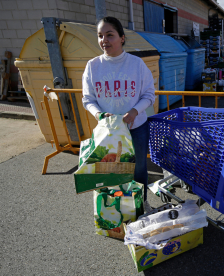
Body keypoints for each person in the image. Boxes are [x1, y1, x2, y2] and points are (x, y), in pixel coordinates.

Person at [82, 16, 155, 211]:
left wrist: (134, 111)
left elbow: (149, 95)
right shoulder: (92, 66)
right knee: (111, 171)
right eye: (100, 36)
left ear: (122, 38)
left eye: (109, 35)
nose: (104, 40)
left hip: (136, 127)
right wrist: (99, 115)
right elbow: (88, 99)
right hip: (108, 131)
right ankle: (118, 209)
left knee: (138, 168)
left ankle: (141, 204)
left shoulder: (137, 64)